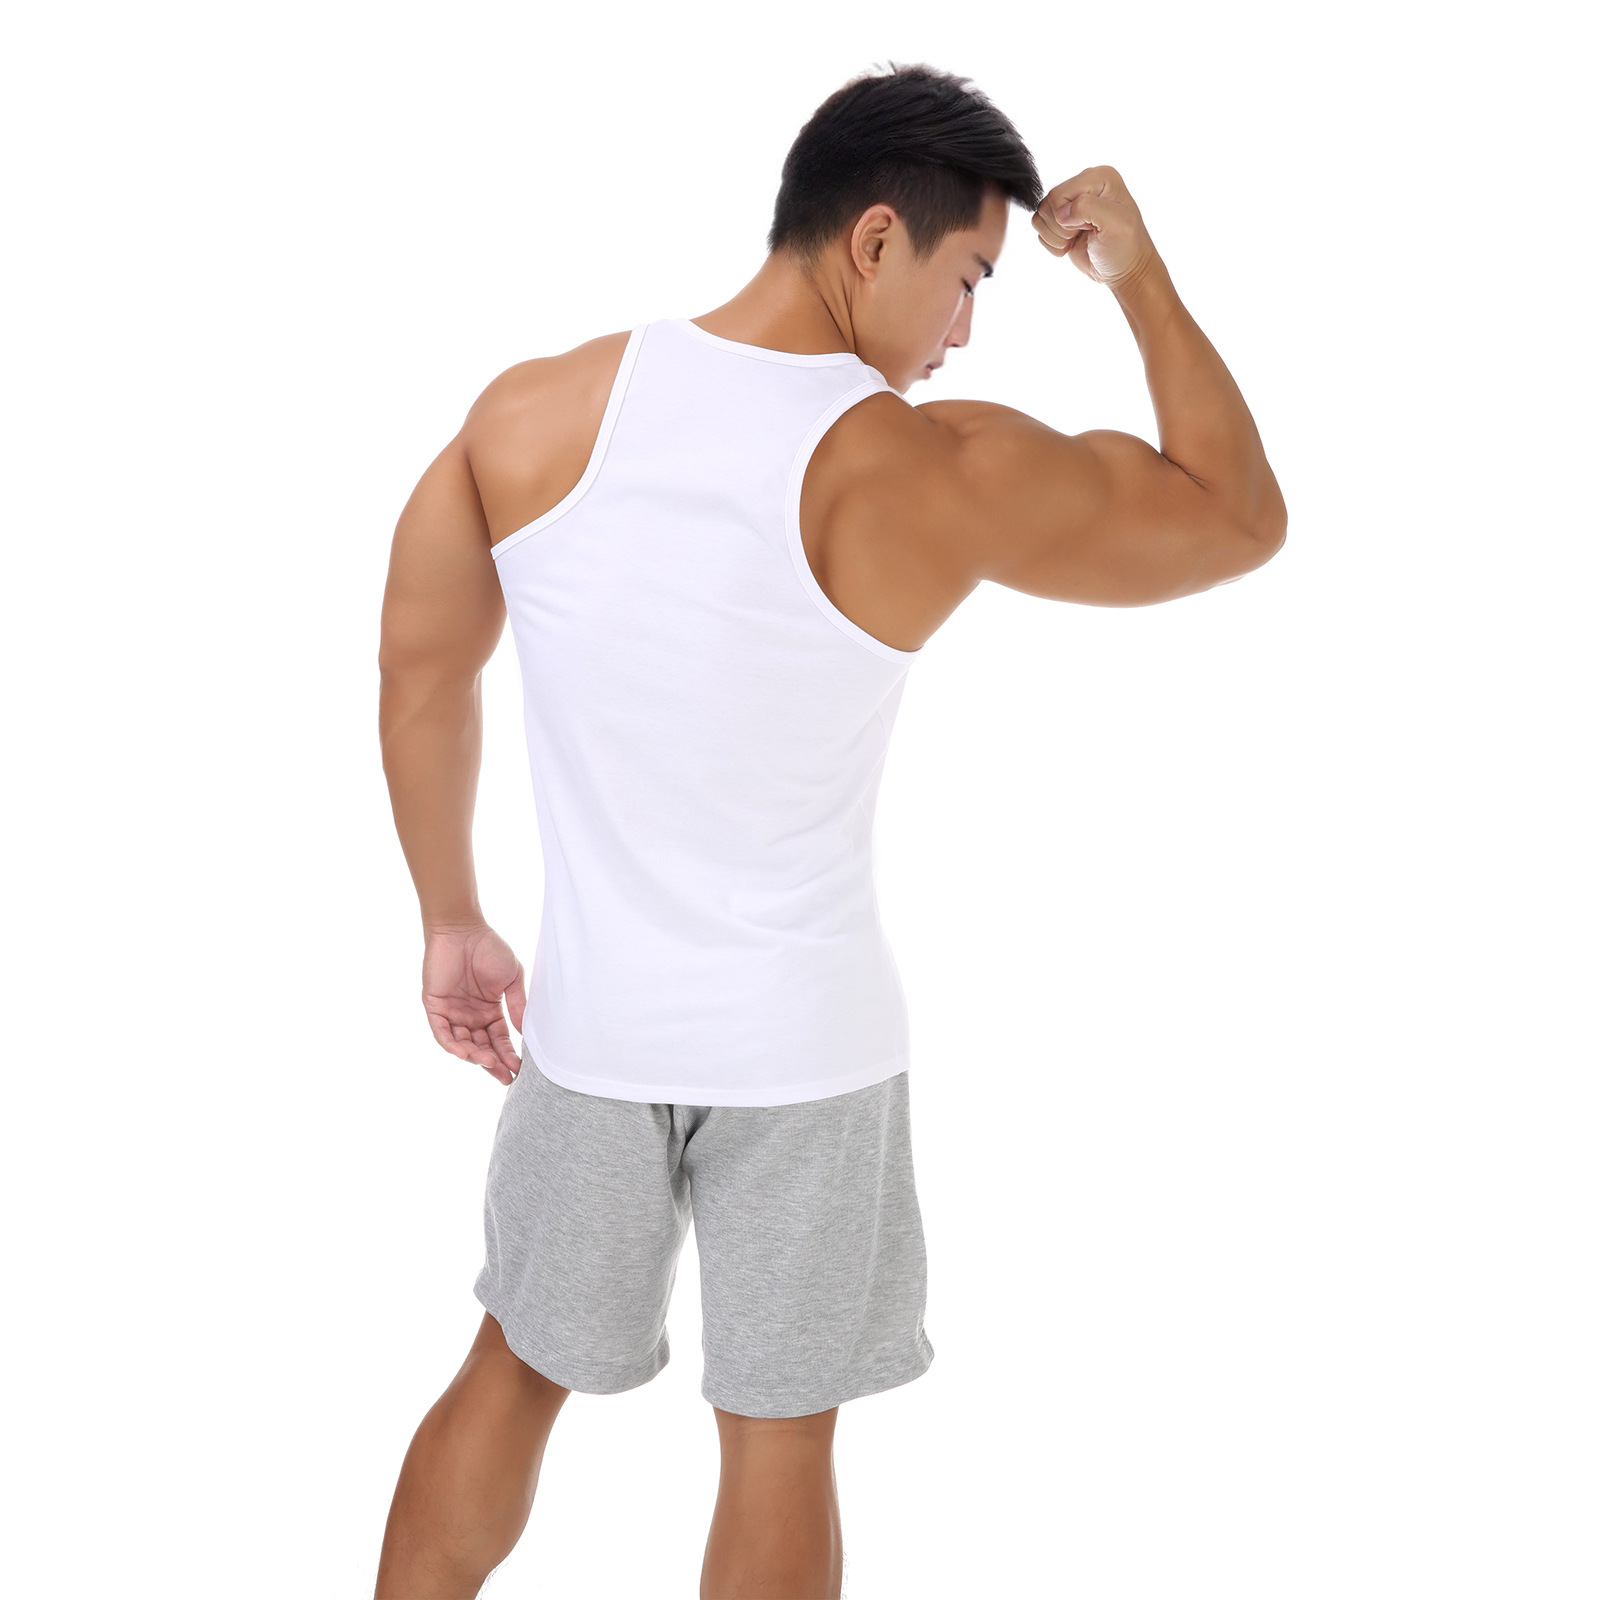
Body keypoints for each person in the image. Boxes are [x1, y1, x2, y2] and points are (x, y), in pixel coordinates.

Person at [374, 59, 1286, 1600]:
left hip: (593, 1036)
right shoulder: (934, 467)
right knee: (781, 1441)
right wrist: (1138, 276)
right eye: (970, 275)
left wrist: (450, 917)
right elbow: (1237, 516)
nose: (964, 331)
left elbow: (419, 671)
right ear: (875, 239)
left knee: (511, 1369)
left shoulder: (530, 415)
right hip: (807, 1050)